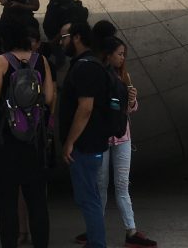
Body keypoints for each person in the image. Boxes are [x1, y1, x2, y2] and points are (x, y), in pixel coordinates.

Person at [0, 17, 55, 248]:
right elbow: (50, 97)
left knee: (7, 202)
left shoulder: (1, 61)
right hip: (34, 140)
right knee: (37, 201)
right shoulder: (40, 60)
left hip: (6, 140)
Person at [93, 37, 155, 247]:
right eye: (119, 54)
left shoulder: (123, 75)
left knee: (122, 186)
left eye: (123, 54)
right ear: (108, 54)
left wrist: (132, 101)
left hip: (122, 138)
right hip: (102, 138)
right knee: (100, 186)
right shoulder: (100, 76)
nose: (122, 58)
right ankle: (95, 229)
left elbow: (128, 111)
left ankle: (131, 230)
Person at [59, 20, 109, 248]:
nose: (62, 43)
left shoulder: (85, 67)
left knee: (89, 198)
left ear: (76, 37)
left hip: (85, 145)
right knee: (88, 197)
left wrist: (70, 141)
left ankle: (97, 244)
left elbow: (86, 107)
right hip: (89, 144)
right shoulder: (86, 64)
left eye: (64, 38)